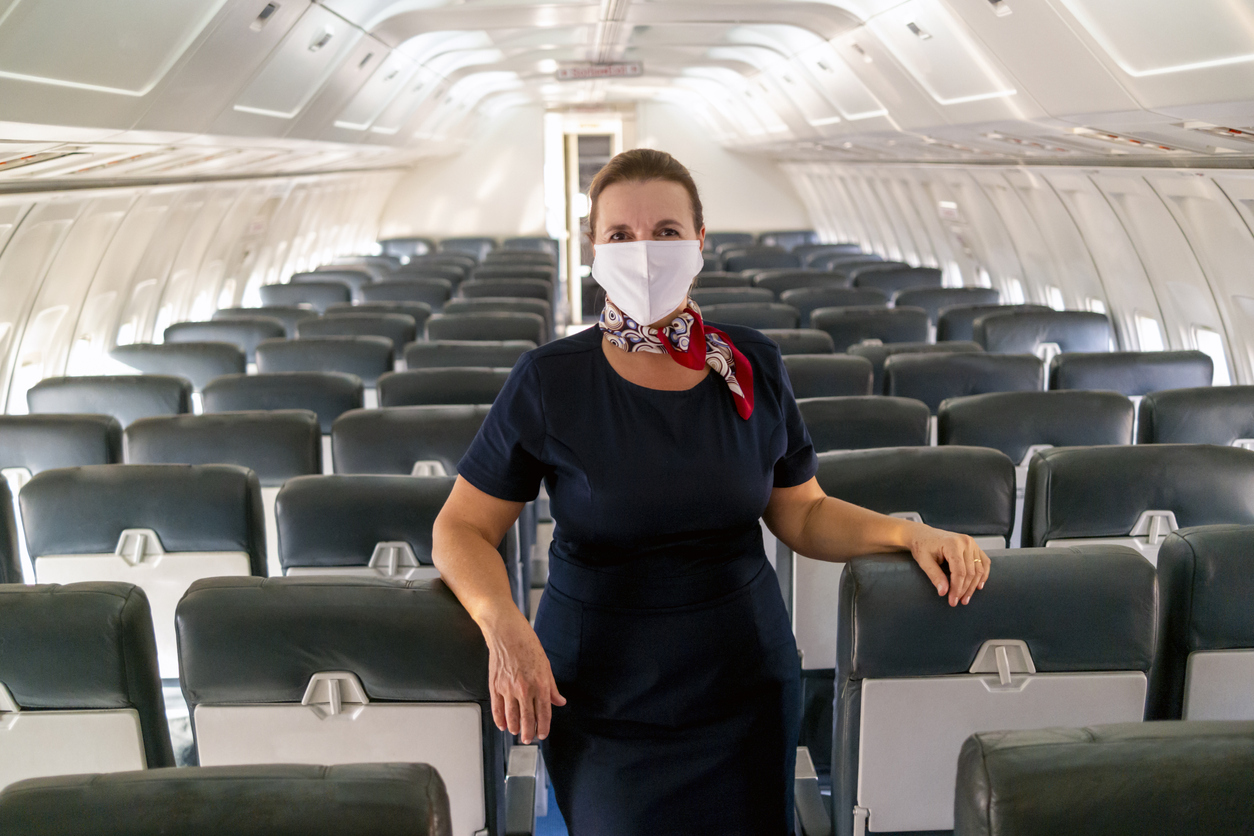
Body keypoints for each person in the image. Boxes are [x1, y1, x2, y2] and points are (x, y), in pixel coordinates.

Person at [432, 148, 990, 836]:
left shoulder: (750, 363)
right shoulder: (550, 381)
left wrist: (910, 533)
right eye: (621, 235)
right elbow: (460, 528)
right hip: (604, 694)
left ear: (700, 241)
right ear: (594, 251)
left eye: (666, 231)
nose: (644, 251)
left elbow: (803, 511)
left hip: (743, 684)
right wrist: (504, 625)